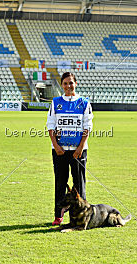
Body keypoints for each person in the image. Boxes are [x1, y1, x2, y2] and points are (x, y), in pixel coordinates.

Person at [46, 72, 93, 226]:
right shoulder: (55, 102)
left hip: (78, 151)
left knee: (79, 185)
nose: (68, 86)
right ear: (62, 85)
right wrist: (56, 146)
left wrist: (80, 147)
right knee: (60, 184)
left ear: (76, 83)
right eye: (65, 83)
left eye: (71, 83)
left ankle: (82, 216)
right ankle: (58, 216)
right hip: (60, 151)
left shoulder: (84, 103)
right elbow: (51, 125)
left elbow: (87, 127)